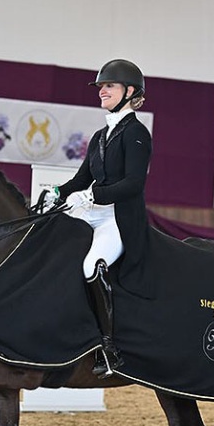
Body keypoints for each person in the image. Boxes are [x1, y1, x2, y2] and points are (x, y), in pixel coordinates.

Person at [45, 59, 154, 377]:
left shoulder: (137, 134)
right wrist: (56, 192)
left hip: (117, 218)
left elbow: (134, 184)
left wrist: (94, 196)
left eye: (109, 86)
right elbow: (81, 179)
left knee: (91, 265)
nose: (102, 91)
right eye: (101, 87)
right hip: (92, 212)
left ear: (129, 92)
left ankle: (108, 348)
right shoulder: (100, 136)